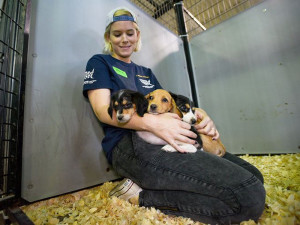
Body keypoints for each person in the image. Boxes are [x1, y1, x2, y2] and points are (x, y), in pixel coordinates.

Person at [83, 7, 266, 225]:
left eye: (129, 33)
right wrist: (151, 124)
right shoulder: (100, 62)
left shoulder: (146, 73)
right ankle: (141, 196)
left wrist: (200, 114)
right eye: (117, 34)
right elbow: (102, 111)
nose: (124, 39)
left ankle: (166, 184)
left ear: (137, 35)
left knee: (255, 177)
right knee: (248, 197)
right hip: (129, 144)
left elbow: (169, 107)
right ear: (108, 37)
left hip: (169, 138)